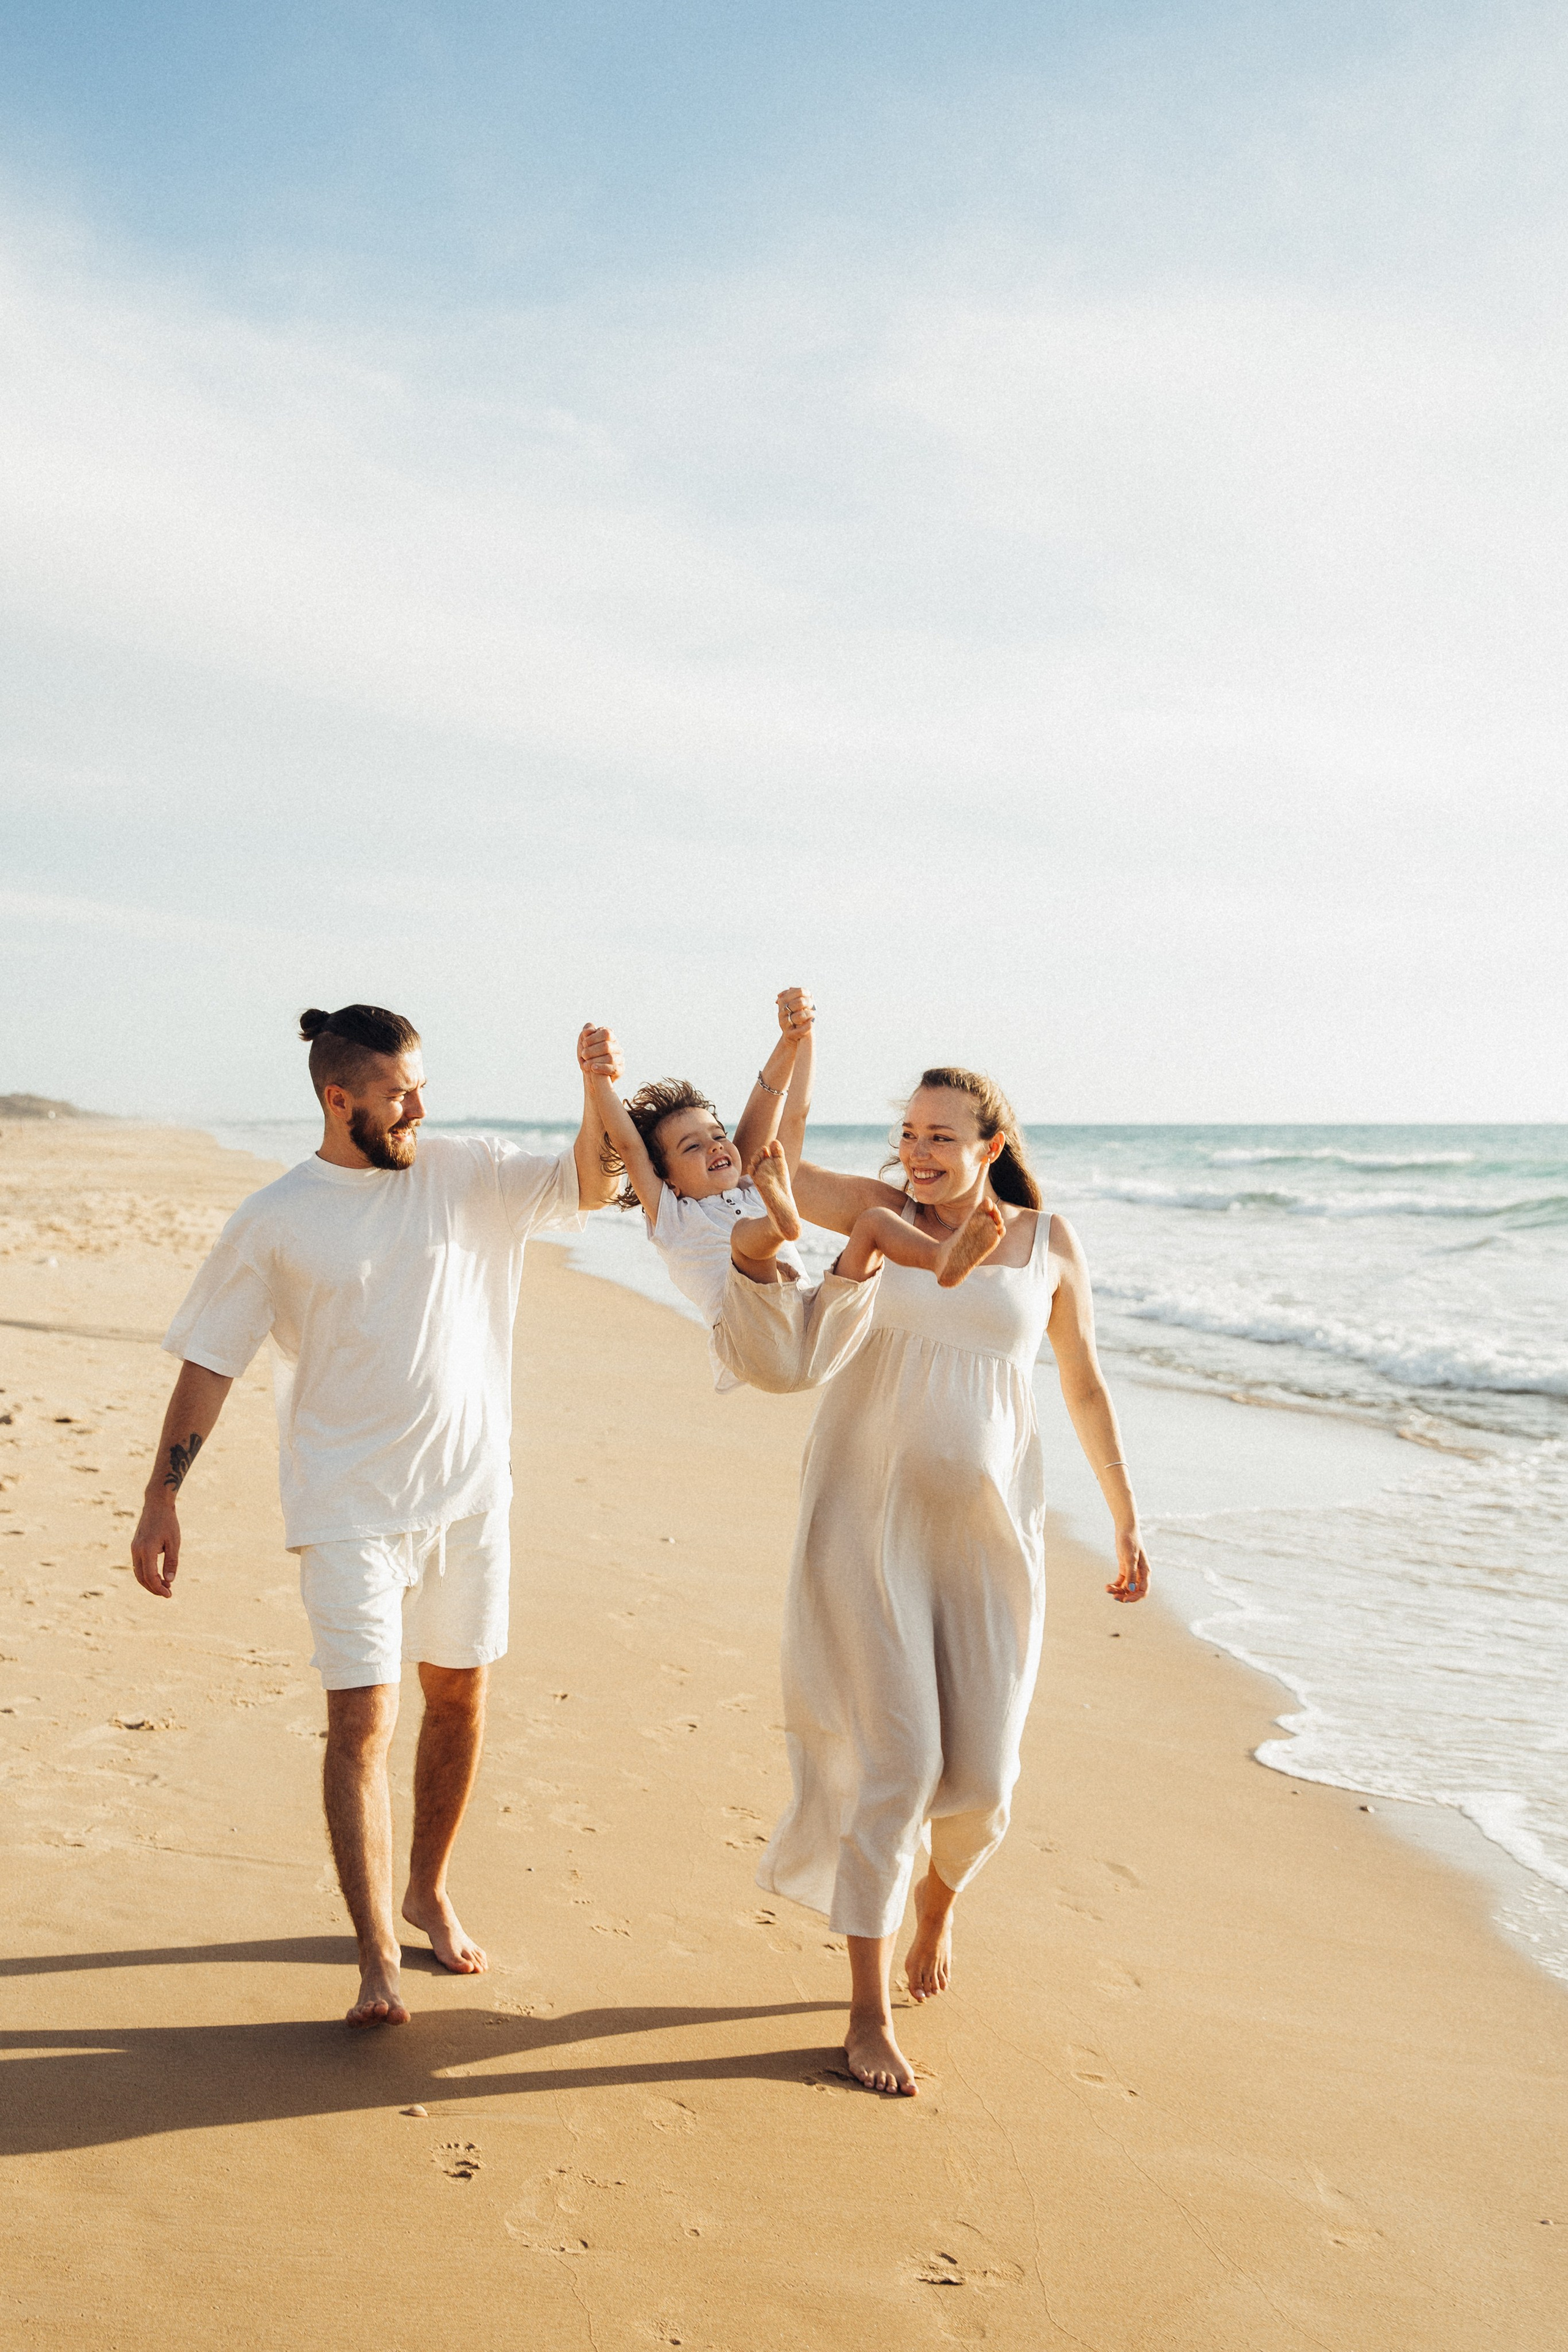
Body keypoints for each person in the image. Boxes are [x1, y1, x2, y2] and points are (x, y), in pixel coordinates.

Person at [130, 1003, 623, 2028]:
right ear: (339, 1097)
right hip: (347, 1504)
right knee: (362, 1722)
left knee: (458, 1700)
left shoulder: (467, 1173)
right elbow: (212, 1360)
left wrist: (595, 1084)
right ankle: (374, 1960)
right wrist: (163, 1493)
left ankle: (426, 1889)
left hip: (470, 1496)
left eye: (421, 1087)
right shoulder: (276, 1217)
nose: (419, 1107)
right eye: (400, 1093)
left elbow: (593, 1179)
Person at [756, 1066, 1151, 2095]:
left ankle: (937, 1901)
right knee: (901, 1766)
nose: (921, 1153)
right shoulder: (882, 1214)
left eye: (943, 1137)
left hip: (986, 1539)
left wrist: (1123, 1516)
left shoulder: (1048, 1242)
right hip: (868, 1524)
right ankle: (867, 2014)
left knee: (984, 1784)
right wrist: (795, 1052)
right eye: (909, 1134)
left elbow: (1083, 1381)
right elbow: (780, 1165)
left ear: (990, 1143)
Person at [595, 989, 1004, 1396]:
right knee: (746, 1242)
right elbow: (630, 1146)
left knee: (876, 1223)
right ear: (668, 1179)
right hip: (757, 1346)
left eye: (718, 1136)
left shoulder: (755, 1185)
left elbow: (796, 1113)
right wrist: (598, 1081)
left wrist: (803, 1040)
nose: (716, 1146)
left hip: (819, 1332)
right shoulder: (672, 1214)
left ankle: (942, 1258)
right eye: (693, 1147)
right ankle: (779, 1223)